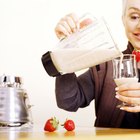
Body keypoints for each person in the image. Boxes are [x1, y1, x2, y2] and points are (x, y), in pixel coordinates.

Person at [42, 0, 140, 128]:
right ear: (123, 20)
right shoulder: (107, 63)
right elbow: (68, 101)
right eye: (134, 17)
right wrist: (68, 46)